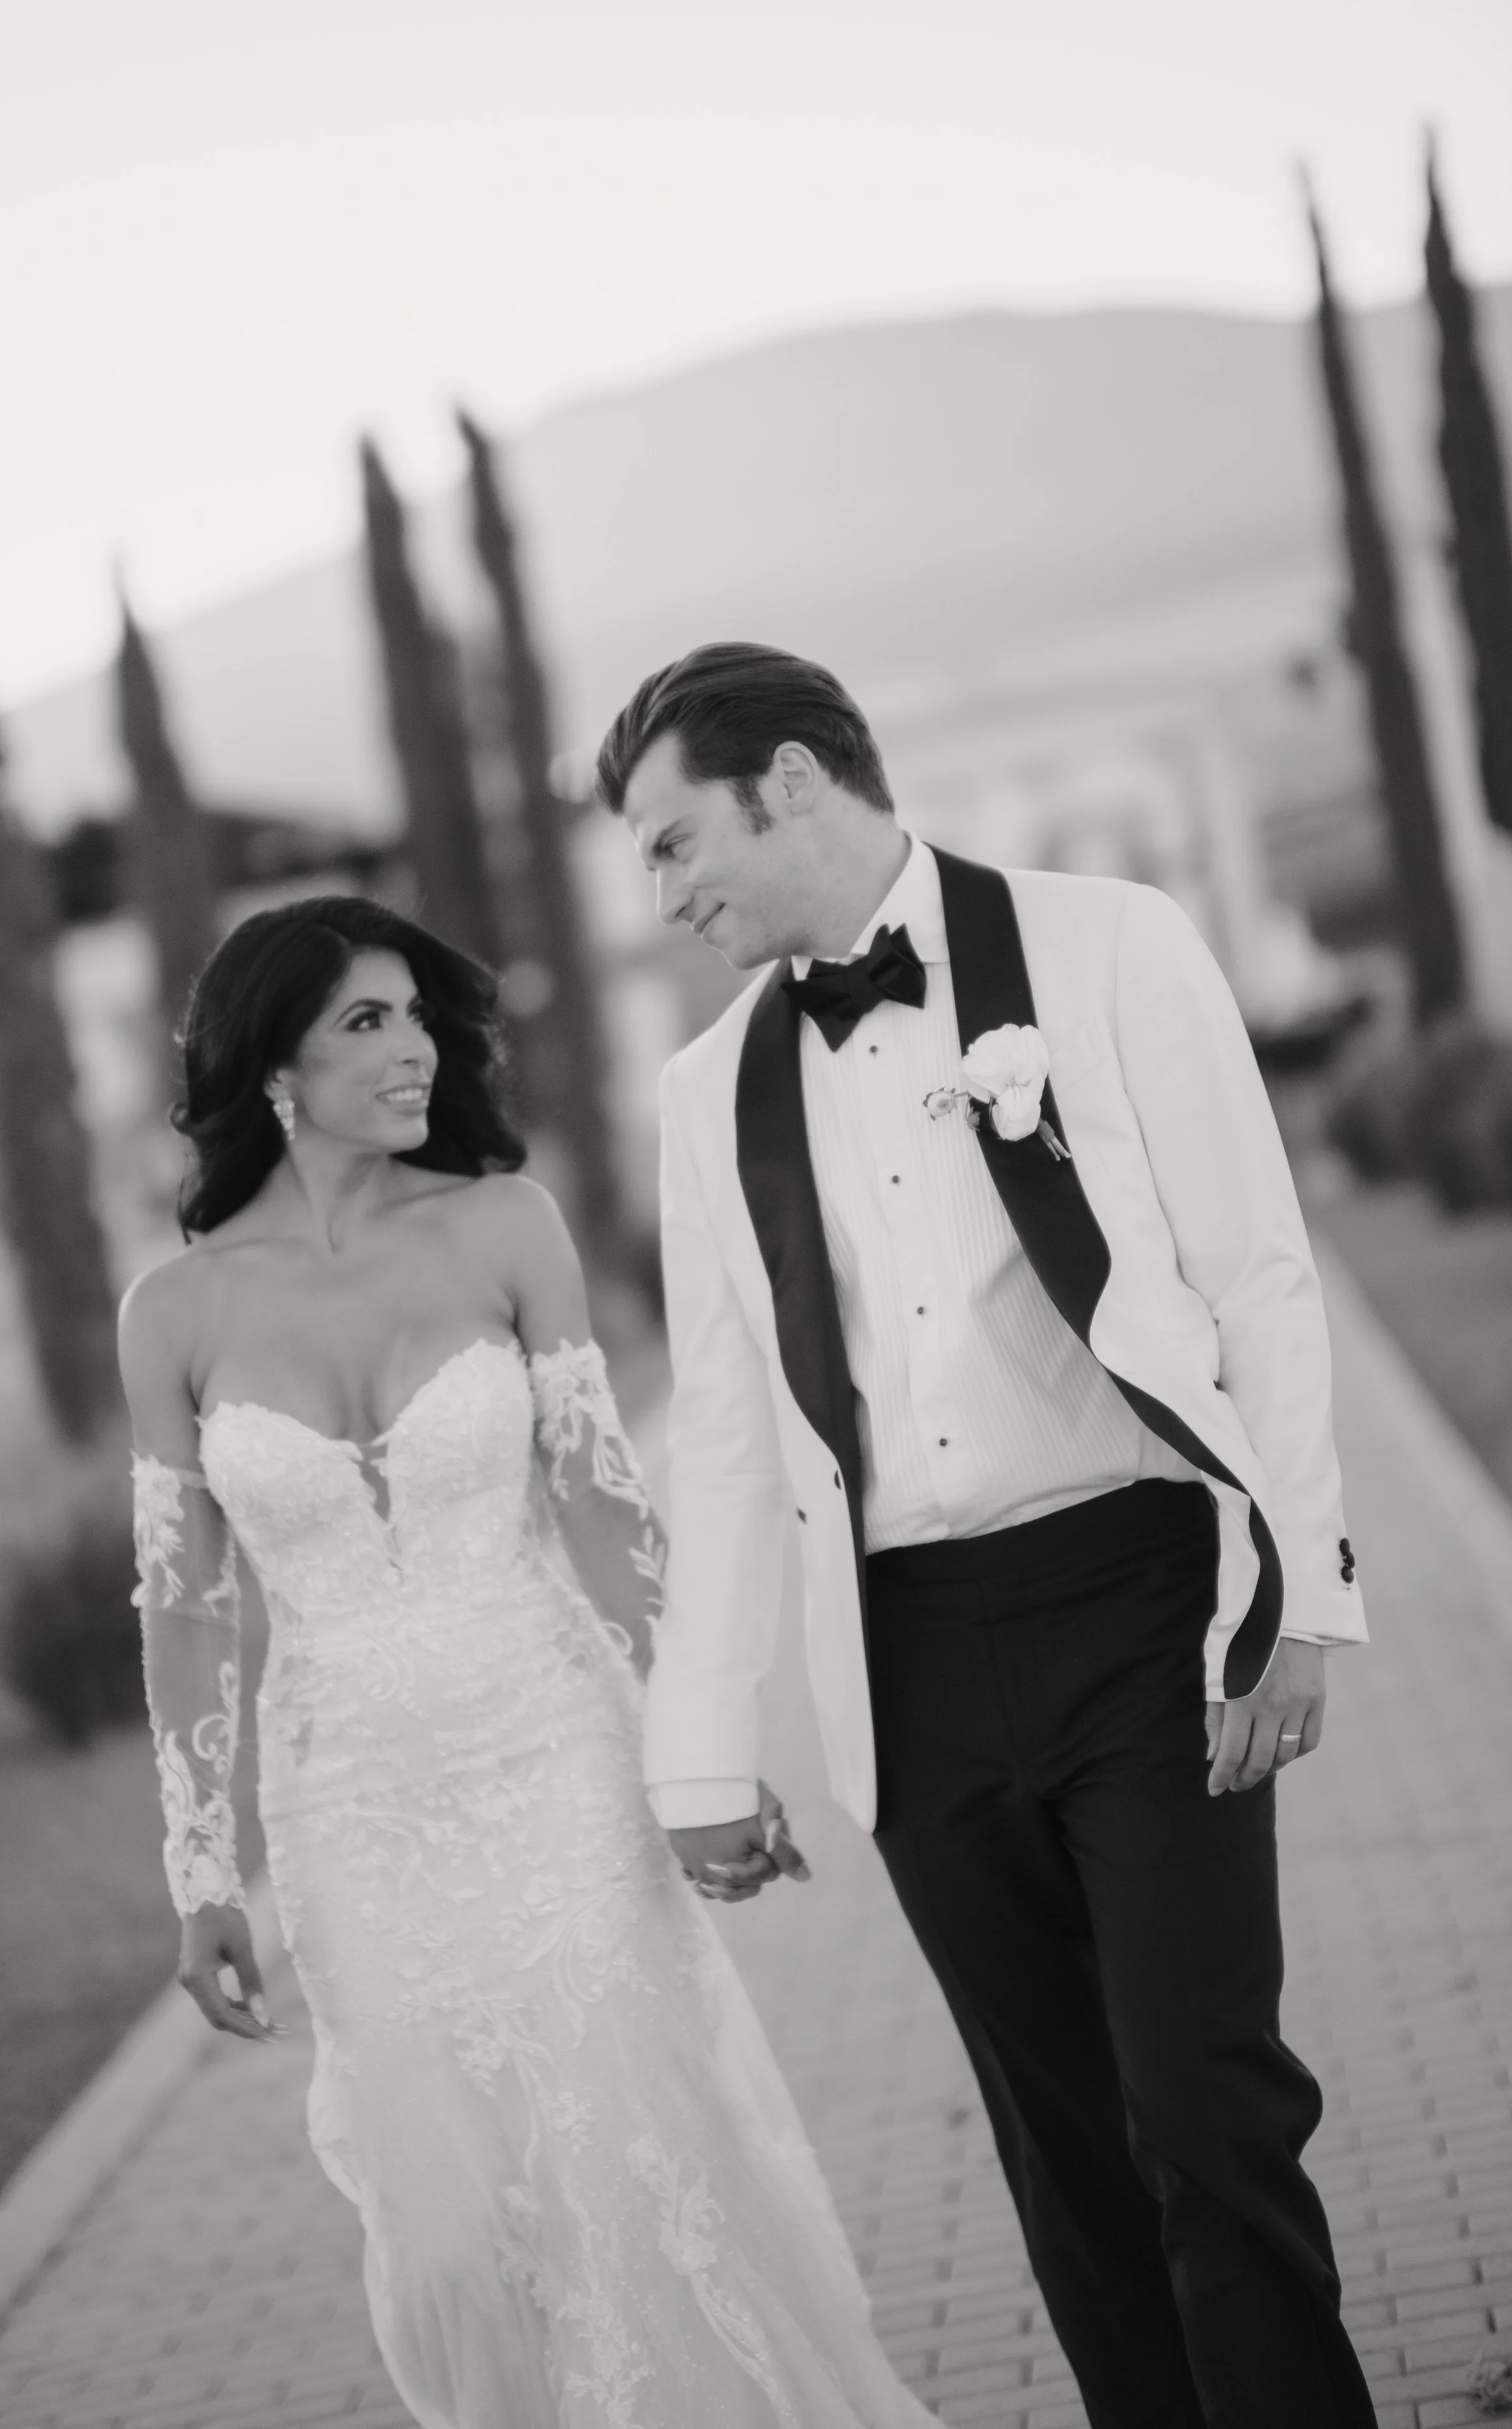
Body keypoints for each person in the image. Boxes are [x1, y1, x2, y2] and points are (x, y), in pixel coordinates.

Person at [598, 644, 1379, 2429]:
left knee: (1202, 2101)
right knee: (1065, 2155)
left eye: (668, 839)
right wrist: (700, 1747)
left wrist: (1305, 1592)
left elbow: (1255, 1269)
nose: (661, 889)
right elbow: (723, 1434)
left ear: (792, 779)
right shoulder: (702, 1093)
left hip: (1139, 1602)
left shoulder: (1109, 942)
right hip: (910, 1664)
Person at [120, 893, 938, 2429]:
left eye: (420, 1014)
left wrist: (699, 1740)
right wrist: (200, 1876)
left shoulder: (504, 1222)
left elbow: (601, 1503)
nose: (414, 1046)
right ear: (270, 1061)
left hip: (557, 1757)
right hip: (350, 1811)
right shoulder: (171, 1311)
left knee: (631, 2164)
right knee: (444, 2230)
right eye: (367, 1019)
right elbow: (180, 1605)